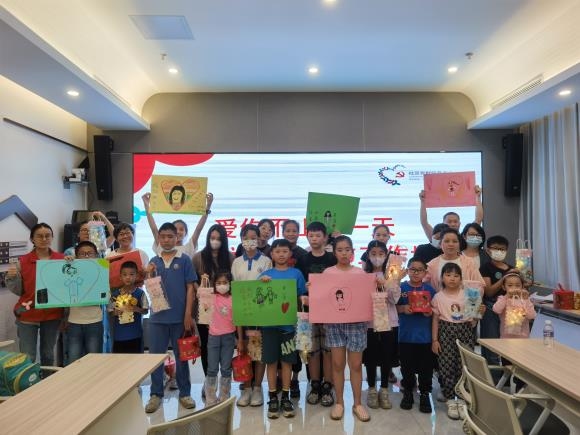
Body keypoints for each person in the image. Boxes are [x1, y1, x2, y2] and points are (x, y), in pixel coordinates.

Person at [145, 222, 197, 414]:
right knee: (156, 358)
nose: (166, 240)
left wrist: (188, 314)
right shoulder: (154, 261)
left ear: (177, 238)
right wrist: (147, 273)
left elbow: (190, 288)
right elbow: (149, 286)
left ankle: (185, 393)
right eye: (163, 236)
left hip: (179, 318)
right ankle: (156, 394)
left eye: (170, 236)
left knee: (182, 357)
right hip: (157, 318)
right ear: (158, 238)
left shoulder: (184, 260)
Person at [322, 235, 371, 422]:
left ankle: (357, 403)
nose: (344, 253)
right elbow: (323, 297)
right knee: (337, 364)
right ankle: (340, 402)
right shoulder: (328, 273)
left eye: (347, 250)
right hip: (334, 324)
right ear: (334, 253)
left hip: (356, 324)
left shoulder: (360, 273)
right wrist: (314, 289)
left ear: (352, 252)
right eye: (340, 250)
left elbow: (366, 297)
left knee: (356, 365)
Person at [258, 239, 307, 419]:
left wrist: (305, 297)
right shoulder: (265, 275)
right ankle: (272, 397)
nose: (281, 255)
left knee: (287, 362)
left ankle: (285, 396)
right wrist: (261, 284)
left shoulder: (296, 274)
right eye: (277, 251)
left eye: (285, 251)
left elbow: (302, 297)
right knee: (271, 362)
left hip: (289, 328)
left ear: (290, 254)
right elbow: (258, 301)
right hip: (269, 327)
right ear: (271, 254)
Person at [431, 263, 485, 420]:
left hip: (465, 332)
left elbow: (473, 321)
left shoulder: (469, 295)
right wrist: (434, 340)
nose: (452, 279)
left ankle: (461, 399)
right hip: (445, 333)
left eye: (456, 275)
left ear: (461, 279)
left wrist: (478, 313)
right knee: (446, 366)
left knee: (464, 366)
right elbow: (435, 320)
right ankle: (450, 400)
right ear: (442, 278)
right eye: (448, 275)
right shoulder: (438, 297)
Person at [5, 223, 64, 368]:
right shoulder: (22, 261)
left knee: (48, 355)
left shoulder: (61, 259)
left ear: (52, 237)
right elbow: (18, 290)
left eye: (47, 236)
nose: (44, 239)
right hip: (27, 314)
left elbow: (66, 287)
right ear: (32, 239)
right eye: (39, 236)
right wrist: (11, 277)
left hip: (52, 314)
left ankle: (47, 380)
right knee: (28, 356)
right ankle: (29, 382)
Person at [296, 221, 337, 407]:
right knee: (311, 349)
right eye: (311, 235)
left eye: (318, 235)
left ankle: (328, 385)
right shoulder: (302, 259)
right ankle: (314, 385)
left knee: (328, 350)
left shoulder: (332, 258)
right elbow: (299, 285)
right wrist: (304, 291)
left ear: (325, 237)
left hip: (329, 310)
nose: (314, 239)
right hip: (308, 310)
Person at [231, 224, 272, 407]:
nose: (250, 241)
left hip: (261, 312)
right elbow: (235, 288)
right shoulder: (236, 262)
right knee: (244, 349)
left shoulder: (266, 261)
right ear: (241, 239)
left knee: (259, 351)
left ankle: (257, 388)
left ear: (259, 239)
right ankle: (246, 388)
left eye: (253, 238)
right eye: (246, 238)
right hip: (243, 311)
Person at [362, 240, 402, 410]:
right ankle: (372, 389)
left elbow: (394, 299)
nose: (377, 257)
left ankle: (384, 389)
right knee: (370, 357)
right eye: (373, 253)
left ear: (386, 256)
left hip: (389, 322)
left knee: (387, 356)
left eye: (380, 254)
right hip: (369, 323)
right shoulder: (362, 276)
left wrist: (386, 283)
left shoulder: (392, 274)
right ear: (368, 255)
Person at [192, 224, 235, 378]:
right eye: (212, 238)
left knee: (225, 346)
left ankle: (224, 379)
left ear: (224, 240)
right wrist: (199, 290)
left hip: (224, 310)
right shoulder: (198, 257)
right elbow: (192, 280)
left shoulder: (230, 258)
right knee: (206, 345)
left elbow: (233, 282)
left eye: (218, 238)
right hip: (204, 309)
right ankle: (209, 380)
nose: (215, 241)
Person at [397, 257, 437, 413]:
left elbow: (435, 312)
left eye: (419, 270)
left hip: (425, 337)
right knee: (406, 367)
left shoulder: (430, 290)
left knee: (426, 368)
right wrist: (402, 309)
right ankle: (408, 392)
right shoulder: (400, 287)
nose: (415, 273)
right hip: (405, 336)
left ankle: (425, 393)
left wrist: (429, 312)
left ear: (425, 273)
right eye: (412, 269)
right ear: (407, 270)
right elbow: (392, 308)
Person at [64, 241, 105, 364]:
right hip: (74, 322)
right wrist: (66, 263)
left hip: (94, 321)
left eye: (90, 253)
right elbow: (61, 286)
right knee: (73, 360)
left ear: (96, 255)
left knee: (94, 360)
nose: (86, 256)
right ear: (76, 256)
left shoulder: (101, 271)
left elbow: (106, 296)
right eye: (82, 254)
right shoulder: (70, 269)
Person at [204, 271, 239, 406]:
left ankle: (224, 396)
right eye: (218, 283)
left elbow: (238, 320)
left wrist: (239, 339)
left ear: (230, 284)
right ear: (214, 285)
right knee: (212, 368)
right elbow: (201, 294)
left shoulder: (234, 299)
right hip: (213, 337)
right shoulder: (211, 297)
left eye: (225, 282)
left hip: (229, 337)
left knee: (226, 368)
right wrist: (204, 281)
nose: (222, 285)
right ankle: (211, 398)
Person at [142, 192, 213, 257]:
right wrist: (146, 204)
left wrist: (208, 207)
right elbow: (154, 229)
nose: (178, 231)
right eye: (175, 229)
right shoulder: (162, 246)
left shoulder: (189, 248)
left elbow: (198, 229)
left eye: (181, 229)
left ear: (186, 233)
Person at [479, 235, 514, 366]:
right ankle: (491, 375)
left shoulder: (511, 268)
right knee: (491, 343)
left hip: (509, 309)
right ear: (488, 250)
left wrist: (525, 282)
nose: (499, 251)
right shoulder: (485, 268)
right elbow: (489, 291)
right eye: (495, 248)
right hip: (490, 308)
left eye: (502, 249)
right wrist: (505, 277)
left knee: (508, 343)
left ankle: (507, 373)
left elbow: (517, 288)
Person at [108, 261, 148, 353]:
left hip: (136, 335)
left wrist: (136, 309)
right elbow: (110, 311)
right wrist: (115, 312)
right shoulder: (114, 295)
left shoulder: (140, 293)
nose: (128, 277)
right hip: (119, 336)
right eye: (125, 275)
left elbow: (146, 311)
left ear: (136, 276)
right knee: (119, 360)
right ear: (120, 277)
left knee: (136, 359)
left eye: (131, 274)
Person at [419, 185, 483, 241]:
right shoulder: (436, 239)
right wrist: (422, 201)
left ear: (459, 223)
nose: (452, 224)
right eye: (449, 222)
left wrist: (478, 196)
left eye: (455, 222)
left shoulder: (464, 238)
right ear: (443, 223)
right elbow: (424, 223)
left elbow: (478, 219)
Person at [493, 272, 536, 338]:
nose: (514, 288)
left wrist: (526, 300)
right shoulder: (502, 298)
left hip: (523, 338)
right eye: (510, 285)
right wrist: (507, 296)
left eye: (517, 285)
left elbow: (531, 316)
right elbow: (496, 310)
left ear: (522, 287)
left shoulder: (525, 300)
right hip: (506, 338)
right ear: (504, 287)